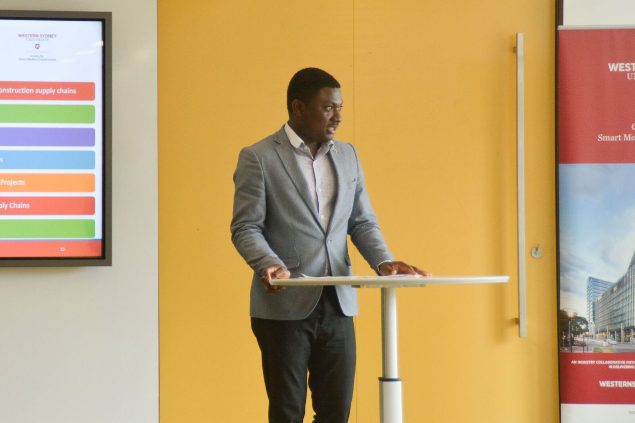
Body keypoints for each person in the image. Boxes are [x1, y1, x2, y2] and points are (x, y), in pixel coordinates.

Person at [231, 67, 429, 423]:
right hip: (284, 304)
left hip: (339, 302)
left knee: (337, 412)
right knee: (287, 413)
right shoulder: (259, 157)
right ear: (298, 107)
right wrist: (268, 263)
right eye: (328, 108)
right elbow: (245, 226)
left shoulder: (348, 155)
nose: (338, 117)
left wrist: (384, 262)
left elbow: (362, 221)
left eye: (340, 108)